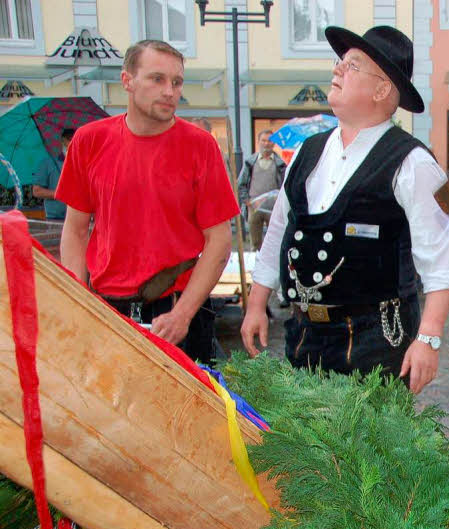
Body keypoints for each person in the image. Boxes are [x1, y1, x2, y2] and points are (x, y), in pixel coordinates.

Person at [240, 25, 449, 394]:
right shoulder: (305, 153)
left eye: (353, 65)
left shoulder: (413, 163)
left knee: (368, 450)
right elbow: (278, 232)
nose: (338, 70)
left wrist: (429, 339)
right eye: (340, 62)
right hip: (304, 336)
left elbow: (441, 267)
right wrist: (255, 304)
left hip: (376, 340)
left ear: (381, 89)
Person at [57, 40, 237, 364]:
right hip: (107, 307)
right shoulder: (88, 140)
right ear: (127, 81)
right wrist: (77, 299)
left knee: (183, 414)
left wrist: (183, 315)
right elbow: (75, 229)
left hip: (176, 307)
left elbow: (219, 239)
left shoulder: (201, 146)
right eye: (157, 79)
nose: (170, 91)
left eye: (177, 82)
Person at [237, 128, 287, 251]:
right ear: (258, 142)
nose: (266, 144)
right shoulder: (250, 163)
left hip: (273, 209)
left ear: (274, 143)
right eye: (263, 141)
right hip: (254, 208)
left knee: (275, 242)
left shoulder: (280, 164)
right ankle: (255, 267)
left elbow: (285, 186)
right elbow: (241, 184)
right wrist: (247, 201)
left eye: (269, 141)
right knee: (255, 243)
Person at [32, 128, 75, 221]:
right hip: (54, 219)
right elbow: (37, 191)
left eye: (75, 139)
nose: (71, 143)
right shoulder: (48, 163)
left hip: (79, 219)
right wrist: (59, 193)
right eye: (69, 139)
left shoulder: (84, 164)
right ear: (62, 141)